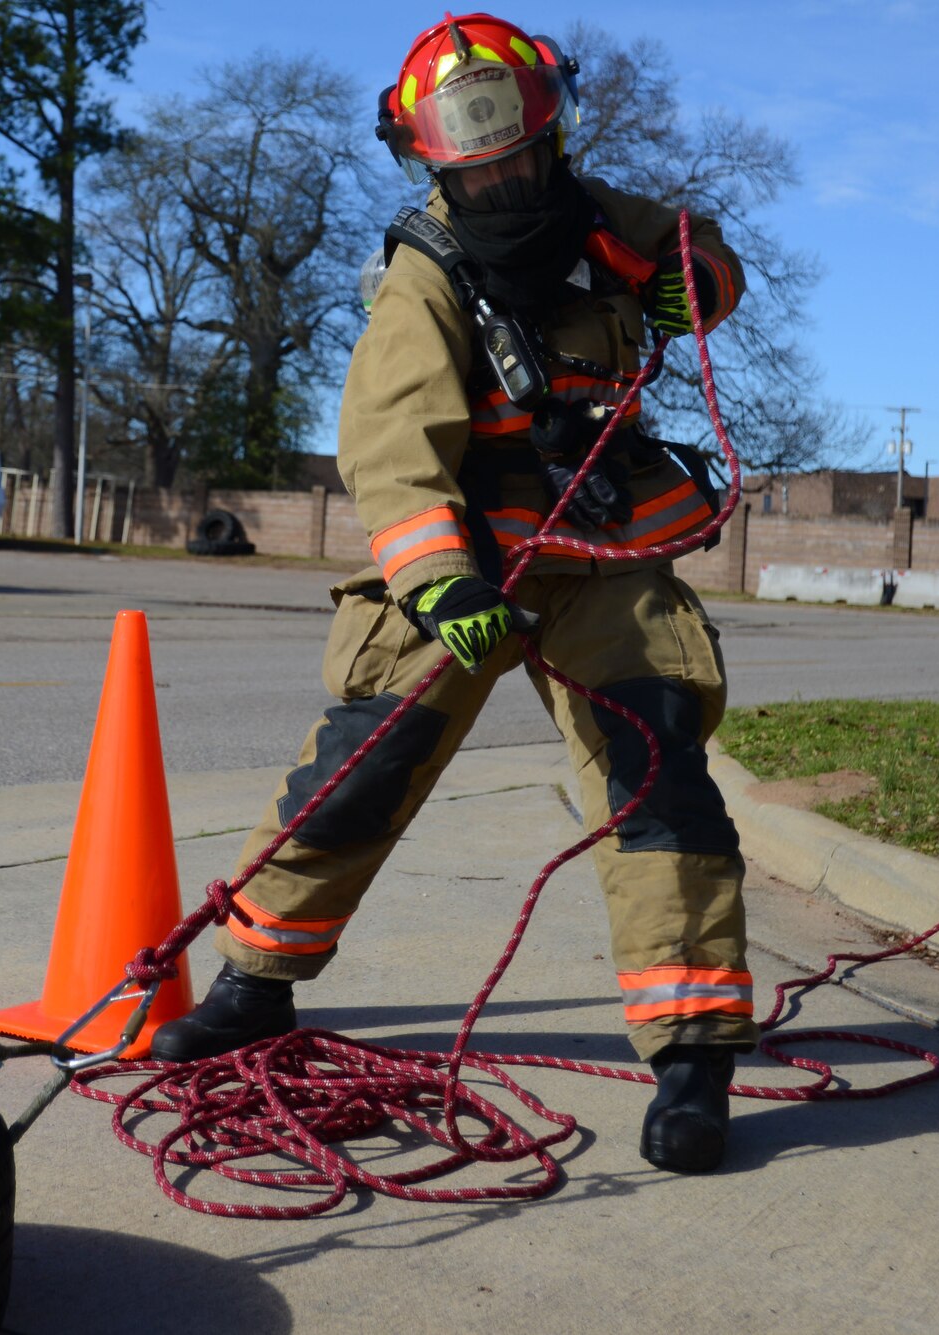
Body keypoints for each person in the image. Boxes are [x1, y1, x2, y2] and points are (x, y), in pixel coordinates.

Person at [149, 12, 753, 1175]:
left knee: (657, 770)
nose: (502, 180)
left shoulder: (599, 221)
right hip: (469, 557)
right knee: (364, 760)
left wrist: (701, 285)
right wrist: (433, 579)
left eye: (519, 156)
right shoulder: (423, 277)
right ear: (432, 159)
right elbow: (388, 448)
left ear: (549, 137)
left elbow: (698, 253)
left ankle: (691, 1055)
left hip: (599, 551)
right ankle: (254, 981)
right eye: (474, 166)